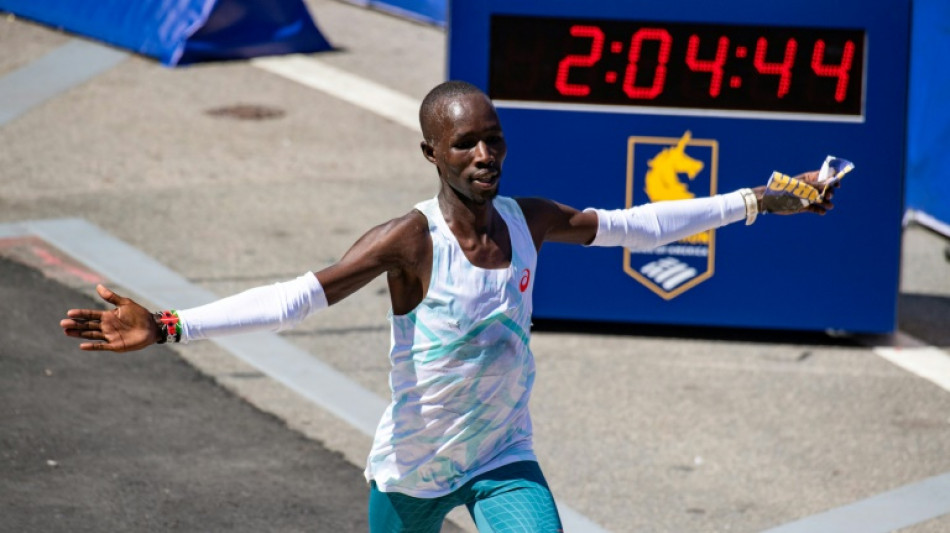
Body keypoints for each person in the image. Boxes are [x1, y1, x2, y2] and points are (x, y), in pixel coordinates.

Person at [60, 80, 835, 533]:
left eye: (493, 140)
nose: (484, 155)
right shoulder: (409, 240)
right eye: (464, 144)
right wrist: (169, 325)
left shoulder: (531, 222)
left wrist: (763, 200)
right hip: (413, 470)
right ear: (430, 153)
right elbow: (300, 296)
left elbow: (638, 224)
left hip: (503, 457)